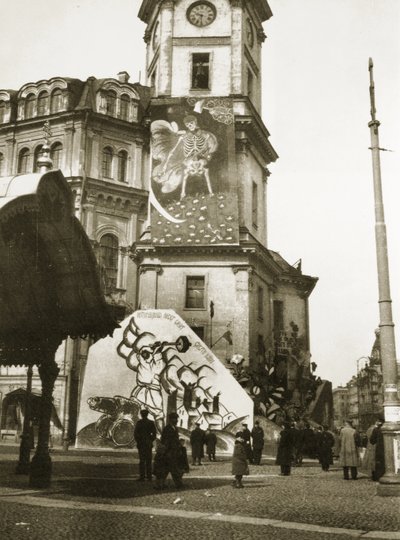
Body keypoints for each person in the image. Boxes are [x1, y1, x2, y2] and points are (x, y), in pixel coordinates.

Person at [160, 412, 185, 488]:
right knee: (172, 468)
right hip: (169, 451)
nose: (177, 420)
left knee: (168, 469)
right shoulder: (167, 428)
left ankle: (161, 484)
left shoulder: (174, 428)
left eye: (177, 418)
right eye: (175, 419)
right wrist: (167, 451)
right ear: (170, 419)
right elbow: (165, 440)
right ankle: (178, 484)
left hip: (174, 451)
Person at [134, 409, 156, 481]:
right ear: (147, 414)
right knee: (148, 460)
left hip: (141, 444)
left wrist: (138, 441)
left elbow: (136, 434)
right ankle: (149, 476)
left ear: (141, 415)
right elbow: (154, 434)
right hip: (148, 444)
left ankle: (142, 476)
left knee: (142, 461)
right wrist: (150, 440)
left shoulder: (139, 423)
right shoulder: (151, 423)